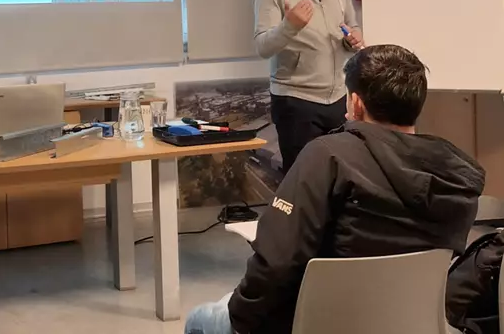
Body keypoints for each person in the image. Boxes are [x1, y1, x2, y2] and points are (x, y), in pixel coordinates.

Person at [185, 44, 486, 334]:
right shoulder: (456, 174)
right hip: (407, 322)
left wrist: (240, 318)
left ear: (356, 103)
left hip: (315, 321)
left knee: (200, 320)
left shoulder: (327, 155)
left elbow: (276, 263)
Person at [253, 0, 363, 174]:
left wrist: (353, 38)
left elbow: (352, 26)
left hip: (338, 97)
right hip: (296, 100)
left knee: (338, 177)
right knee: (303, 179)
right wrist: (290, 26)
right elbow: (263, 46)